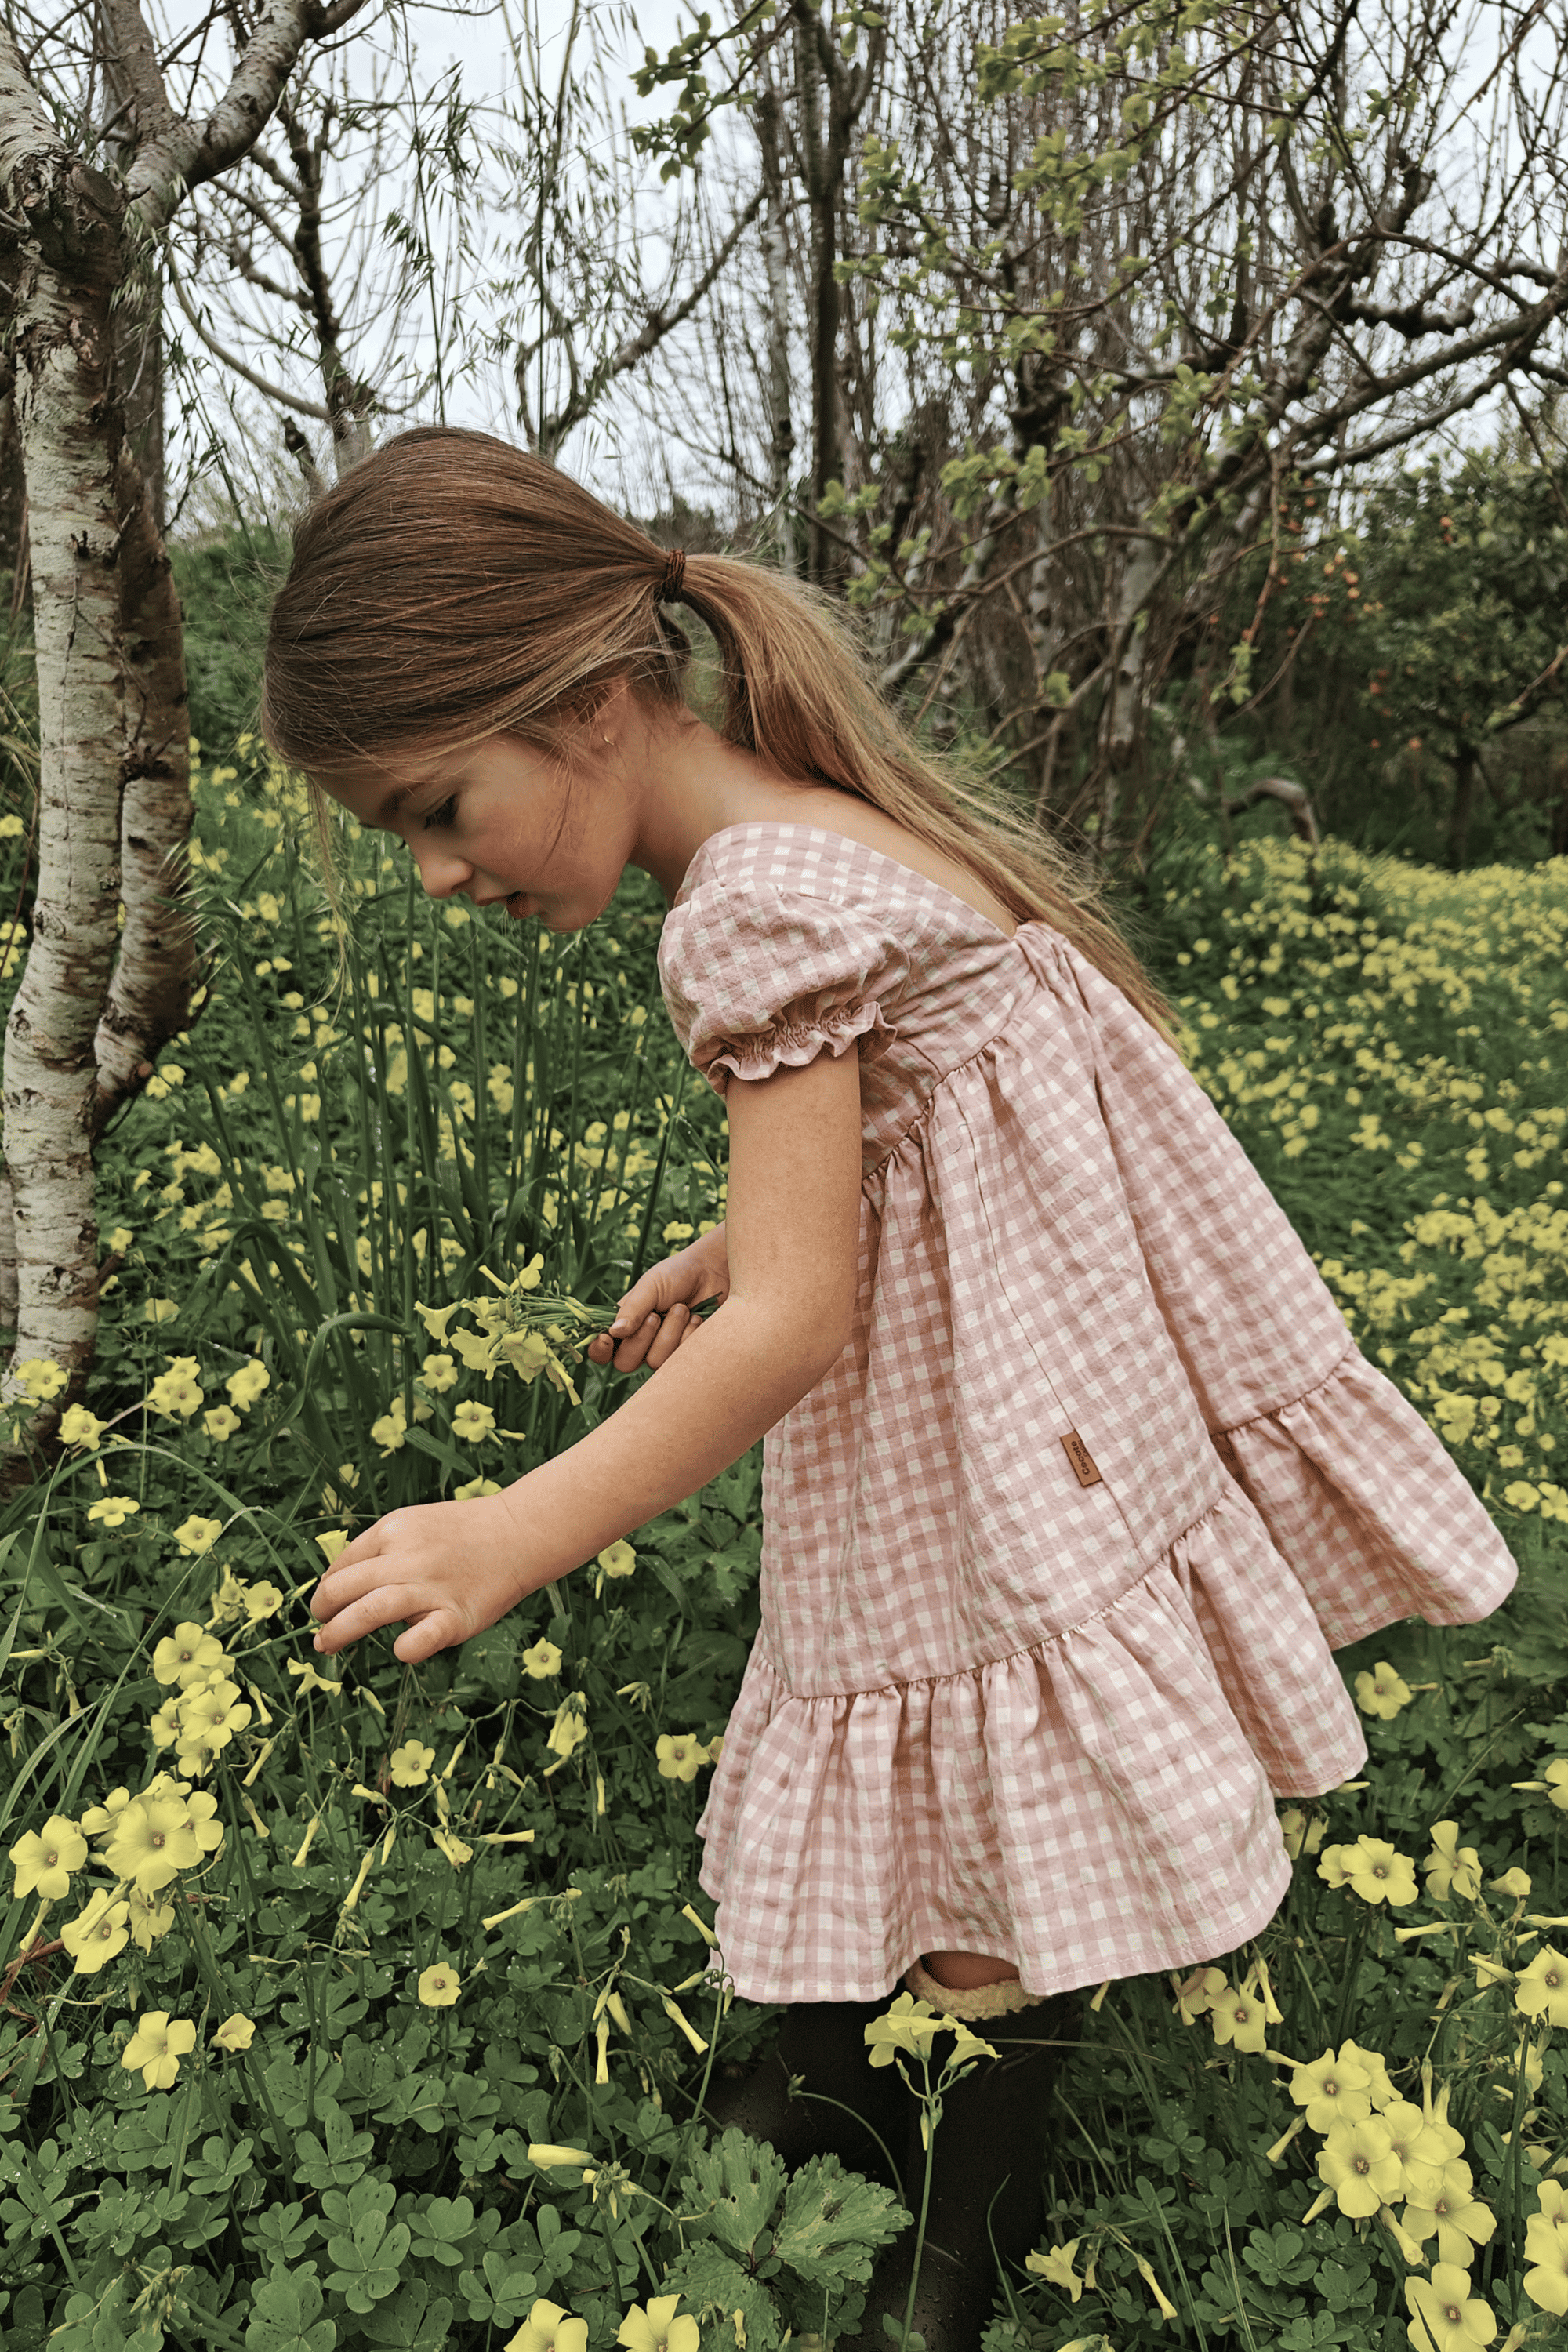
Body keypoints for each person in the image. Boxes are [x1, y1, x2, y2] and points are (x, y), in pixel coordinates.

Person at [262, 424, 1519, 2351]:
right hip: (1037, 1358)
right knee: (931, 1702)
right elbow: (921, 1119)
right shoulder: (818, 816)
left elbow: (799, 1326)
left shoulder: (741, 905)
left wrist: (515, 1528)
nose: (436, 873)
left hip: (988, 1415)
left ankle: (974, 2212)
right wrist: (734, 1241)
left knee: (963, 1731)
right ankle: (838, 2069)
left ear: (590, 704)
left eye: (438, 804)